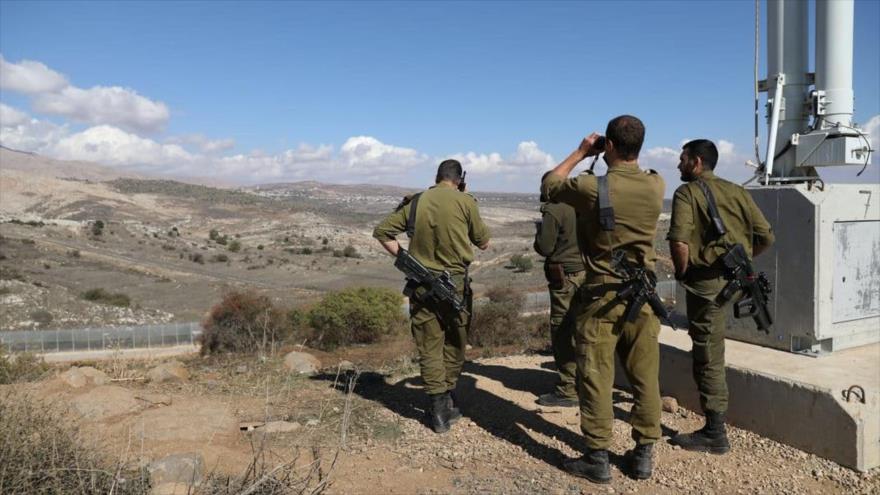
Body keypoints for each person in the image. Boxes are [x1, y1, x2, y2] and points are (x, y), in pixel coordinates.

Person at [542, 115, 664, 483]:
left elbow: (550, 184)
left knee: (596, 375)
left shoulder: (593, 188)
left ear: (607, 145)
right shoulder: (656, 184)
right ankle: (643, 455)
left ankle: (597, 457)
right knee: (645, 377)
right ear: (639, 147)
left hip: (602, 296)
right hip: (643, 297)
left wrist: (581, 151)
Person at [666, 139, 774, 454]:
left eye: (682, 159)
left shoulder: (686, 193)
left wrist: (684, 272)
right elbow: (766, 236)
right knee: (712, 347)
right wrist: (745, 259)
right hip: (735, 282)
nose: (678, 165)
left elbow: (679, 243)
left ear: (697, 162)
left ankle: (715, 432)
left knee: (708, 353)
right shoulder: (738, 191)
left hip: (708, 286)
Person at [372, 159, 490, 434]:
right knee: (455, 341)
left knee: (429, 343)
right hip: (456, 284)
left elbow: (382, 232)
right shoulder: (466, 202)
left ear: (437, 177)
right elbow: (484, 242)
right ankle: (446, 397)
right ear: (459, 179)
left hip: (422, 285)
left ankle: (438, 408)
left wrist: (407, 260)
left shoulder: (416, 202)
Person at [533, 171, 585, 407]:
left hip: (564, 279)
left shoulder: (555, 209)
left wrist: (538, 233)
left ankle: (567, 390)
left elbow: (545, 247)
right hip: (588, 275)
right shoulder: (584, 204)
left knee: (563, 331)